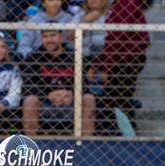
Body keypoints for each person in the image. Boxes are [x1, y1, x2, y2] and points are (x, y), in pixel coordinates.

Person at [85, 0, 150, 132]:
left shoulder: (127, 4)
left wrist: (106, 67)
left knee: (113, 101)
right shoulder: (120, 4)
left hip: (127, 60)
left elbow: (118, 39)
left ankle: (124, 134)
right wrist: (97, 64)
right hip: (122, 58)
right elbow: (112, 40)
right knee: (118, 100)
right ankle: (126, 133)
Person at [22, 30, 96, 136]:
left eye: (53, 35)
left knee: (89, 98)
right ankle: (31, 143)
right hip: (44, 101)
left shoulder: (74, 56)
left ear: (61, 37)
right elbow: (29, 85)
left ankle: (85, 141)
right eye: (45, 36)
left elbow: (84, 83)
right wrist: (47, 95)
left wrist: (72, 94)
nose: (49, 40)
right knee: (30, 100)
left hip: (71, 101)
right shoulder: (33, 57)